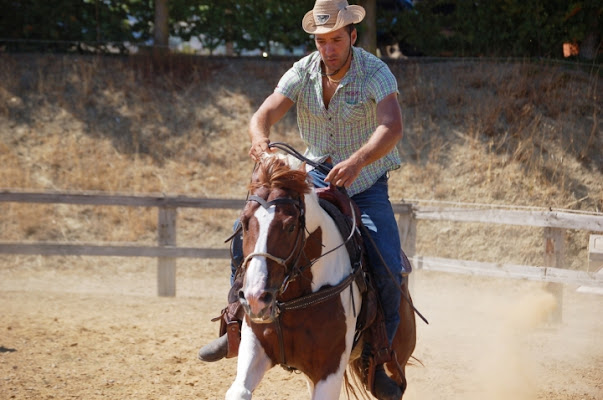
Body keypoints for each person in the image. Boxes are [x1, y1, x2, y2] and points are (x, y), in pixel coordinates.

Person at [199, 1, 408, 398]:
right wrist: (260, 140)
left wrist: (358, 160)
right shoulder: (303, 70)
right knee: (243, 232)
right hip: (313, 178)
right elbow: (262, 115)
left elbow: (391, 126)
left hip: (365, 185)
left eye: (335, 40)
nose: (328, 49)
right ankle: (235, 325)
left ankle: (378, 356)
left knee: (388, 264)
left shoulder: (376, 72)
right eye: (321, 41)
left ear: (352, 37)